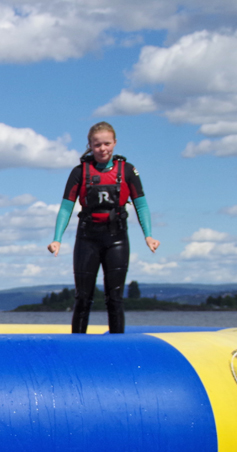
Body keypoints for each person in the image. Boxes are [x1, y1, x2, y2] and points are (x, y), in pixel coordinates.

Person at [47, 122, 159, 334]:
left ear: (115, 143)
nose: (102, 149)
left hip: (116, 238)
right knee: (83, 297)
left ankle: (117, 344)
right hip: (87, 238)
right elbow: (66, 207)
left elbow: (141, 204)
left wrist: (149, 236)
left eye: (107, 144)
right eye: (97, 145)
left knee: (115, 297)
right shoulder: (79, 172)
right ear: (90, 145)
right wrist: (57, 239)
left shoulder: (128, 170)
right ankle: (78, 343)